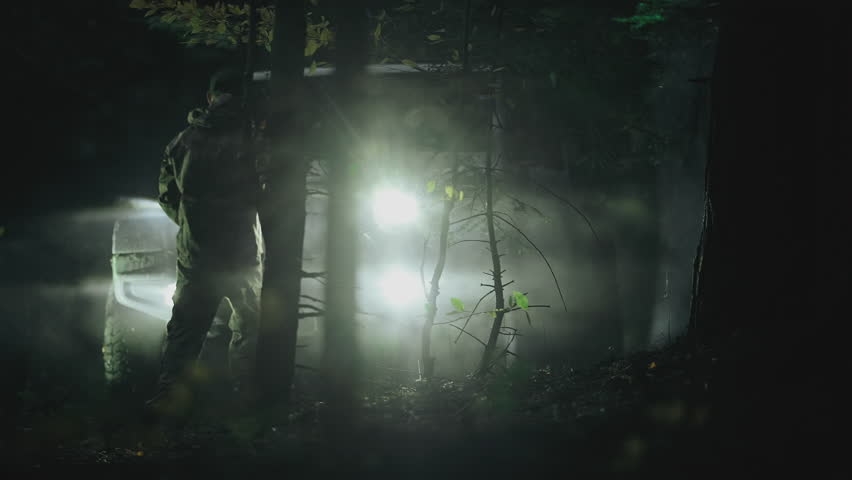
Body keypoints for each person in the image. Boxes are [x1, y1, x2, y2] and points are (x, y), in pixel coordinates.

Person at [145, 68, 264, 422]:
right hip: (242, 252)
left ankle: (169, 403)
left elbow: (168, 196)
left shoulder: (183, 141)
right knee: (251, 328)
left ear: (209, 97)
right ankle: (248, 402)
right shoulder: (254, 137)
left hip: (196, 253)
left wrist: (193, 225)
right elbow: (271, 192)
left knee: (185, 331)